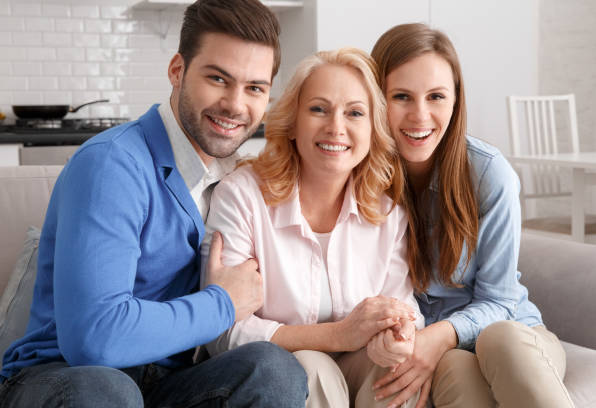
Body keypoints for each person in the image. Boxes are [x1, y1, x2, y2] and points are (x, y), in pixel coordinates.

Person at [0, 1, 308, 407]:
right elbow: (95, 337)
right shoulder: (113, 164)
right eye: (218, 78)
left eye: (255, 88)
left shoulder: (236, 180)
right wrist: (222, 304)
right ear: (177, 71)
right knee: (109, 391)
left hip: (165, 383)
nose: (235, 104)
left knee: (273, 369)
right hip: (65, 379)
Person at [200, 47, 425, 408]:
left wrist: (396, 336)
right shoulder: (242, 196)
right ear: (292, 121)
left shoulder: (387, 213)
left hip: (359, 367)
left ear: (372, 129)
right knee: (312, 366)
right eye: (318, 109)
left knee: (399, 371)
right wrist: (338, 335)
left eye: (354, 113)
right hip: (279, 380)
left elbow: (403, 307)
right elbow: (222, 331)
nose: (336, 127)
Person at [369, 23, 574, 408]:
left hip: (518, 344)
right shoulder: (362, 182)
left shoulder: (487, 174)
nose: (420, 115)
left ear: (456, 101)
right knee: (456, 368)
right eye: (401, 96)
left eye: (436, 97)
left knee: (500, 336)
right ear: (377, 99)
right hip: (437, 352)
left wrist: (440, 335)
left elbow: (501, 301)